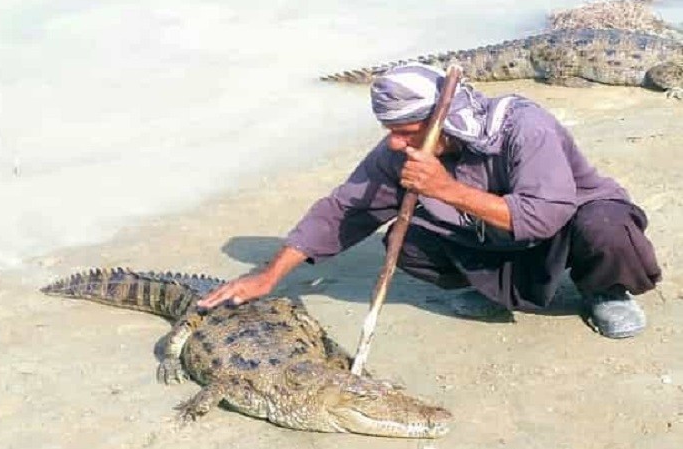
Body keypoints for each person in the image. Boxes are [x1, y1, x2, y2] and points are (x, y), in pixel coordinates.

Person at [198, 64, 661, 339]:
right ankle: (485, 290)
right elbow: (344, 210)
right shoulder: (398, 155)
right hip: (496, 238)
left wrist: (445, 189)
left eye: (405, 132)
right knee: (408, 241)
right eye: (390, 134)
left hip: (566, 226)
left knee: (605, 226)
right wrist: (270, 275)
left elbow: (544, 216)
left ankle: (603, 290)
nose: (397, 145)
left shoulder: (524, 127)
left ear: (442, 119)